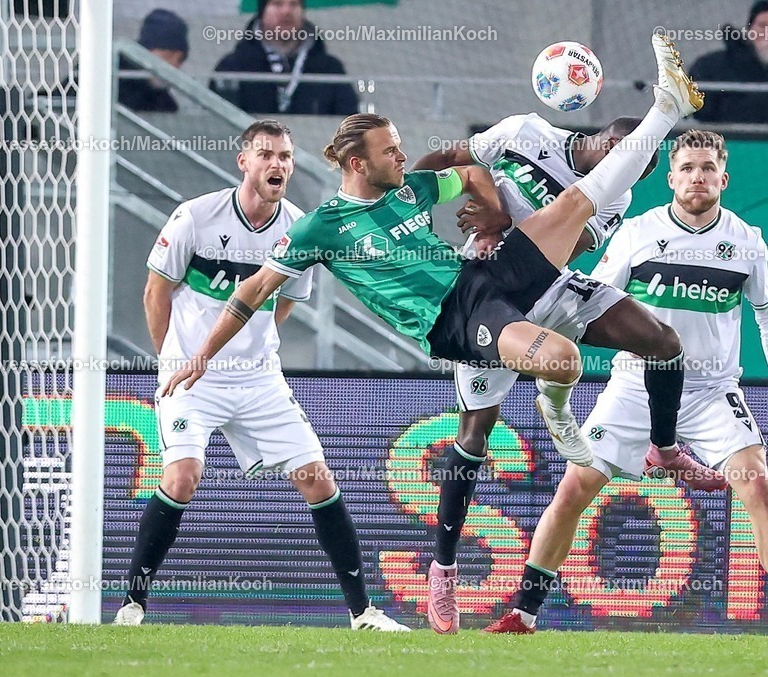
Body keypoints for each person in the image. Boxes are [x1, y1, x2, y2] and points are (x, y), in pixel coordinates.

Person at [162, 35, 704, 503]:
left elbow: (466, 171)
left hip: (485, 275)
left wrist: (493, 212)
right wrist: (203, 355)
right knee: (560, 364)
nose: (403, 157)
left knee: (578, 202)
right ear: (358, 164)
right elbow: (254, 289)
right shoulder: (317, 229)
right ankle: (555, 411)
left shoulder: (412, 190)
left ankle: (668, 106)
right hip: (453, 322)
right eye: (391, 151)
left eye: (400, 148)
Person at [482, 129, 768, 644]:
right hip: (636, 384)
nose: (697, 177)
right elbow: (589, 298)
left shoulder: (745, 240)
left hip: (709, 391)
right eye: (687, 168)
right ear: (671, 178)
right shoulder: (638, 232)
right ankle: (523, 614)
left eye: (707, 168)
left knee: (755, 483)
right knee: (574, 488)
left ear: (723, 178)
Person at [412, 113, 728, 635]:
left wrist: (502, 221)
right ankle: (443, 567)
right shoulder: (525, 132)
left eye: (643, 166)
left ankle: (663, 447)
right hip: (487, 297)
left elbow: (565, 245)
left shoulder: (616, 198)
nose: (632, 168)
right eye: (628, 153)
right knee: (474, 433)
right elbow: (452, 161)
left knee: (663, 343)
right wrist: (412, 214)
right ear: (607, 137)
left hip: (550, 292)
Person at [113, 119, 408, 632]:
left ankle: (363, 613)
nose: (278, 165)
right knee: (183, 478)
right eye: (267, 155)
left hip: (258, 382)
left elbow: (283, 305)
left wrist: (251, 351)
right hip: (193, 379)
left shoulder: (300, 228)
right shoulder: (195, 218)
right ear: (243, 161)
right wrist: (171, 359)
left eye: (286, 157)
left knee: (317, 479)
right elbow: (155, 292)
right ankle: (133, 604)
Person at [210, 0, 359, 115]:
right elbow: (219, 124)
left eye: (294, 4)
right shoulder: (232, 66)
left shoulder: (330, 68)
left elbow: (350, 128)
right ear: (262, 12)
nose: (287, 11)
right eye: (277, 3)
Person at [118, 8, 189, 113]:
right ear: (144, 52)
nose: (174, 65)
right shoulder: (108, 85)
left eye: (180, 59)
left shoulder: (166, 104)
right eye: (168, 56)